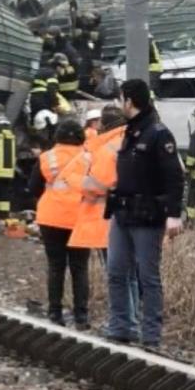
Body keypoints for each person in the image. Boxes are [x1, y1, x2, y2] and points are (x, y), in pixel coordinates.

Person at [105, 79, 184, 348]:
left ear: (129, 101)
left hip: (148, 216)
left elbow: (174, 177)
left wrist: (174, 214)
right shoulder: (130, 132)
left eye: (120, 99)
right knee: (116, 271)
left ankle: (151, 335)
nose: (119, 104)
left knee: (147, 277)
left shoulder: (159, 134)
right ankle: (121, 327)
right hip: (123, 213)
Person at [28, 120, 91, 329]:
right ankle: (81, 316)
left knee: (56, 266)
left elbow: (34, 187)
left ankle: (55, 313)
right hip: (80, 218)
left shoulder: (47, 157)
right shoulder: (89, 158)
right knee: (79, 268)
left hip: (51, 217)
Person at [73, 106, 127, 330]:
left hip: (107, 218)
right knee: (132, 273)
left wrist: (80, 183)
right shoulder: (131, 138)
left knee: (116, 273)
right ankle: (132, 322)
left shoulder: (107, 147)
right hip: (130, 215)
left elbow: (97, 184)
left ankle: (120, 323)